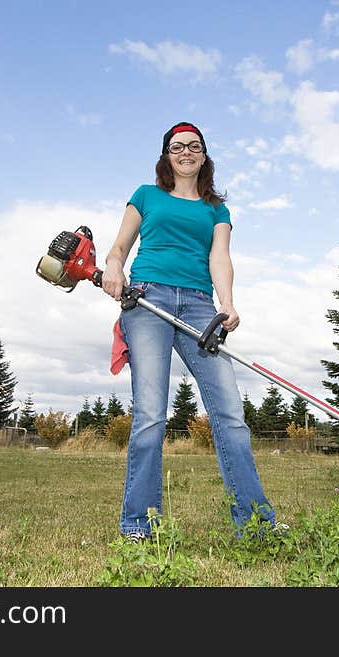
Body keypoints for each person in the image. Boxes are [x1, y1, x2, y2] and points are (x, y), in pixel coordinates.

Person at [102, 121, 278, 541]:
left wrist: (228, 302)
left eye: (193, 146)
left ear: (204, 155)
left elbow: (220, 256)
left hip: (199, 306)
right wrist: (113, 266)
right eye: (177, 146)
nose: (185, 152)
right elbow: (120, 247)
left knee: (231, 415)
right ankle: (139, 525)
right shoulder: (146, 195)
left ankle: (254, 524)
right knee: (149, 416)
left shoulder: (216, 208)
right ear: (166, 155)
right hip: (147, 299)